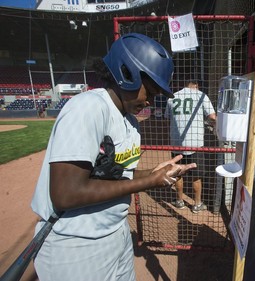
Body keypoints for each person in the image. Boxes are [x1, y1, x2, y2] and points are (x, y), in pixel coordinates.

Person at [30, 33, 196, 281]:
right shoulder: (88, 108)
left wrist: (154, 174)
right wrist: (148, 182)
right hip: (75, 245)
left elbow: (116, 177)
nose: (151, 100)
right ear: (126, 73)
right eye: (150, 90)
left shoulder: (131, 122)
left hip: (115, 234)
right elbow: (65, 194)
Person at [164, 80, 216, 213]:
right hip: (195, 143)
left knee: (178, 173)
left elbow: (167, 118)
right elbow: (212, 117)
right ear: (196, 85)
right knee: (196, 175)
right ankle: (197, 204)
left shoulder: (173, 96)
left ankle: (180, 201)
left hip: (176, 142)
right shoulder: (201, 95)